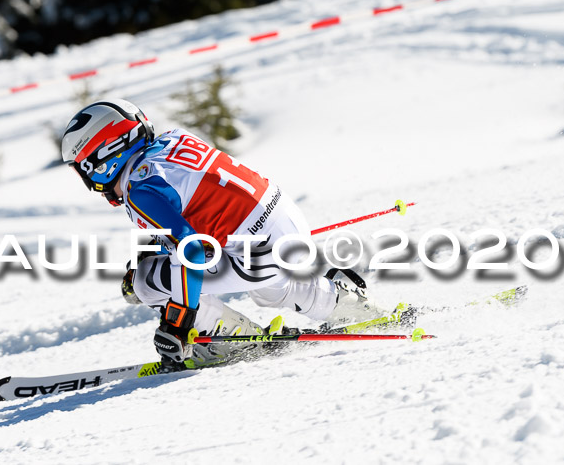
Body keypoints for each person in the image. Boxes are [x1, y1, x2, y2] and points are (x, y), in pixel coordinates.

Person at [61, 98, 372, 367]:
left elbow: (194, 250)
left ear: (101, 158)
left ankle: (224, 340)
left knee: (145, 282)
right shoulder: (172, 140)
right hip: (284, 221)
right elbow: (195, 209)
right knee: (270, 290)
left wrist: (178, 323)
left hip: (257, 253)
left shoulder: (139, 189)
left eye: (82, 168)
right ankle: (344, 305)